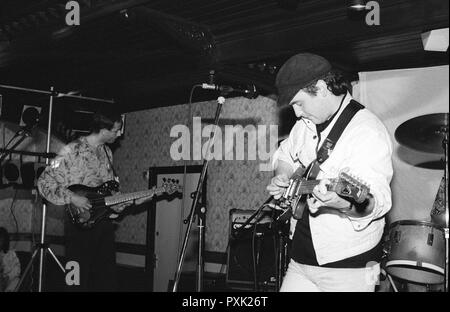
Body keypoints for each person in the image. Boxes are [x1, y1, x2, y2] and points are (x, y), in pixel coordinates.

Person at [267, 53, 393, 292]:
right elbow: (283, 155)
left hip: (352, 265)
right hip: (301, 259)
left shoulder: (367, 132)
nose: (296, 113)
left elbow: (374, 202)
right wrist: (282, 175)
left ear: (322, 89)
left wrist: (341, 203)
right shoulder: (304, 125)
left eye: (299, 103)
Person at [37, 111, 148, 292]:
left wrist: (120, 203)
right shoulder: (72, 150)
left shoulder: (107, 153)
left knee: (106, 280)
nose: (120, 134)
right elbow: (44, 182)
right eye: (116, 130)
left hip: (103, 224)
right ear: (103, 130)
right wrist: (72, 197)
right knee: (76, 281)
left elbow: (108, 191)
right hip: (79, 223)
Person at [0, 227, 21, 292]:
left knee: (17, 281)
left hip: (8, 280)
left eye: (1, 240)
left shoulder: (11, 254)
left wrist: (8, 277)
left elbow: (17, 269)